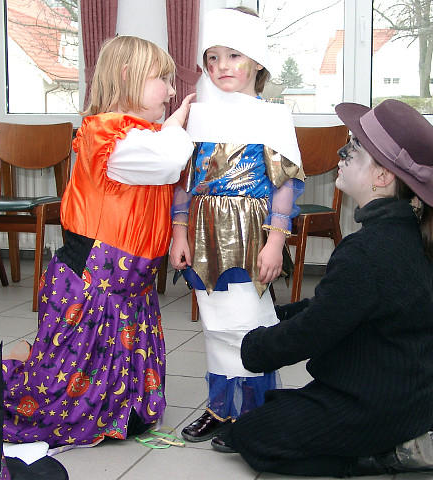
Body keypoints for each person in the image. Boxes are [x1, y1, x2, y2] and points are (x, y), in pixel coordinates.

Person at [209, 99, 433, 477]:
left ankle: (389, 455)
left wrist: (252, 346)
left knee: (251, 435)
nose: (341, 153)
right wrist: (276, 314)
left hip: (374, 405)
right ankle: (430, 409)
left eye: (353, 149)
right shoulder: (403, 233)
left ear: (381, 177)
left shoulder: (366, 251)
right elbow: (337, 307)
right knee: (280, 403)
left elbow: (314, 331)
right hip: (405, 388)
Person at [0, 35, 196, 449]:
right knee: (58, 401)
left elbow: (168, 170)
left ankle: (118, 408)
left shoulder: (145, 133)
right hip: (94, 282)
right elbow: (169, 161)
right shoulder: (107, 133)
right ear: (129, 77)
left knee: (108, 368)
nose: (172, 89)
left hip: (127, 283)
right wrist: (177, 124)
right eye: (163, 78)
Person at [169, 7, 305, 443]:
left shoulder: (273, 118)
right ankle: (220, 408)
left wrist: (275, 241)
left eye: (234, 55)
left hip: (252, 235)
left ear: (258, 61)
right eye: (212, 58)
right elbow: (184, 181)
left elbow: (284, 183)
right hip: (206, 235)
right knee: (214, 323)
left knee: (249, 322)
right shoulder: (199, 116)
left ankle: (255, 411)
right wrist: (179, 231)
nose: (222, 67)